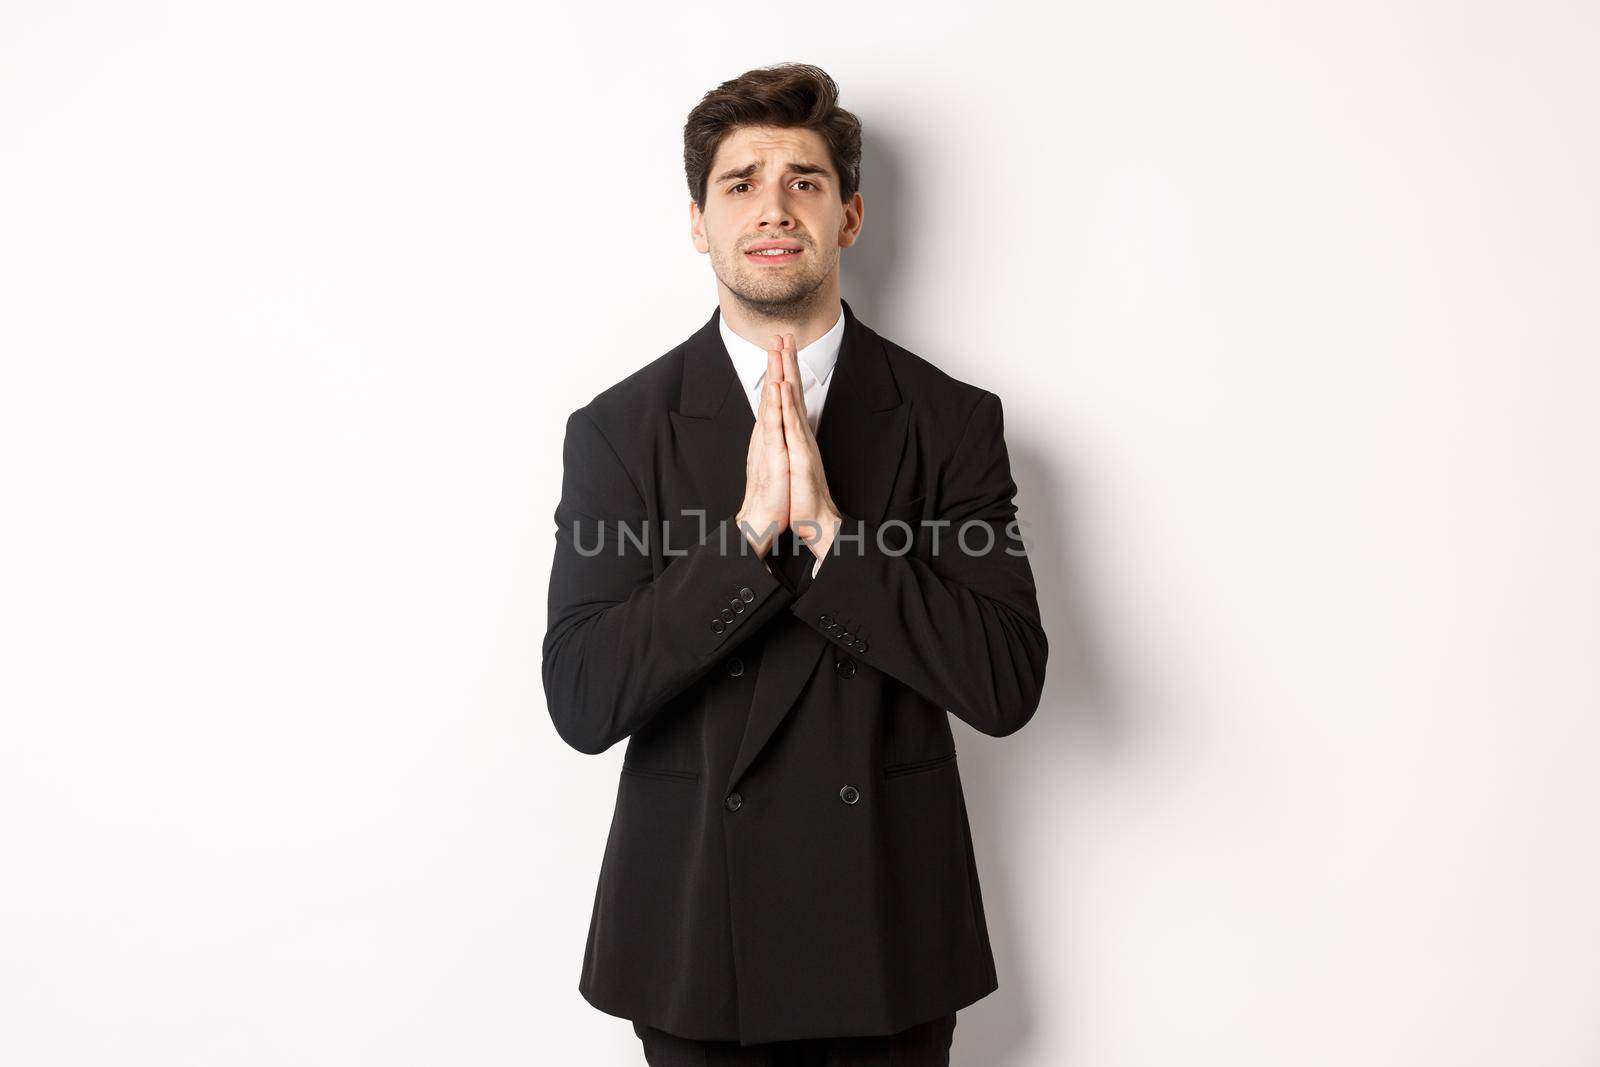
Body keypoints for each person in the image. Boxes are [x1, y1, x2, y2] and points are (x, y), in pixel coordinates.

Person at [542, 62, 1049, 1066]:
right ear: (698, 220)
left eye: (804, 181)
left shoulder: (950, 421)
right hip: (694, 946)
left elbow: (1004, 682)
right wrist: (739, 544)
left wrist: (830, 537)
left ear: (849, 215)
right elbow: (583, 697)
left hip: (888, 936)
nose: (773, 208)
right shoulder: (616, 430)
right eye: (740, 184)